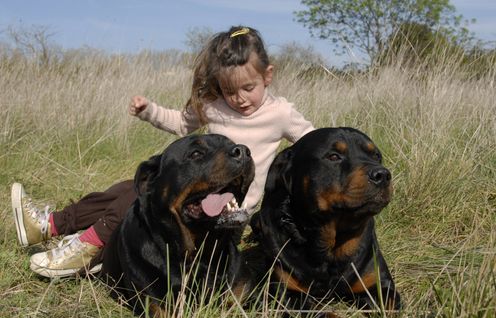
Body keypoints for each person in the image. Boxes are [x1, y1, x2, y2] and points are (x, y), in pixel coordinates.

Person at [11, 25, 315, 278]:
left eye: (248, 87)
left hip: (228, 214)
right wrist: (149, 111)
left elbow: (313, 143)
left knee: (143, 195)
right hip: (197, 199)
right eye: (229, 91)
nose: (239, 99)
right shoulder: (214, 107)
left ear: (268, 75)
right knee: (128, 188)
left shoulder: (281, 113)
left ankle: (89, 245)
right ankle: (49, 225)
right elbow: (181, 124)